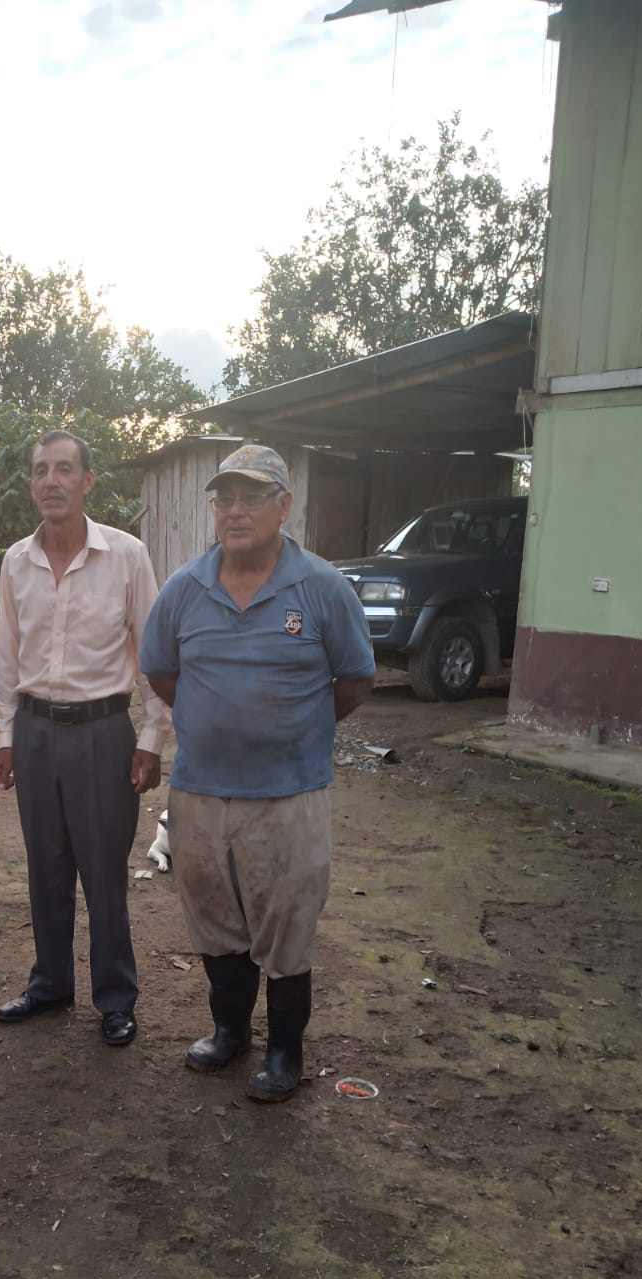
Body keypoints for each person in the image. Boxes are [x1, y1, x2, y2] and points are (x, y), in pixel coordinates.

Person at [139, 444, 375, 1102]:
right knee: (215, 920)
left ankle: (284, 1052)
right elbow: (161, 671)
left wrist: (296, 730)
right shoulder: (185, 588)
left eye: (252, 497)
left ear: (284, 505)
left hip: (288, 794)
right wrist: (212, 723)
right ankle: (230, 1031)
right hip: (200, 791)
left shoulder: (321, 588)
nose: (236, 511)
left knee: (287, 925)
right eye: (225, 499)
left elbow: (355, 680)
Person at [0, 430, 168, 1046]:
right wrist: (7, 734)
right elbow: (8, 654)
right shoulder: (17, 562)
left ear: (88, 481)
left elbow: (153, 652)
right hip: (36, 732)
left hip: (103, 734)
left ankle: (115, 998)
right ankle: (50, 984)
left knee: (103, 872)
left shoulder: (125, 555)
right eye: (41, 470)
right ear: (31, 483)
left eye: (65, 469)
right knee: (45, 866)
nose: (52, 481)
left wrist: (152, 736)